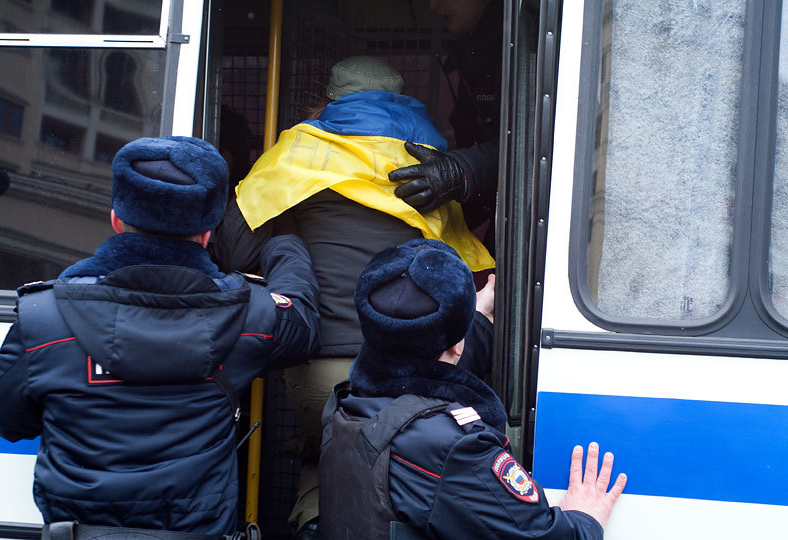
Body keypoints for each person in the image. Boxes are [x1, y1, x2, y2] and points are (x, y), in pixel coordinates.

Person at [214, 56, 494, 540]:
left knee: (326, 453)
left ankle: (313, 524)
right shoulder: (428, 159)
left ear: (327, 99)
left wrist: (289, 236)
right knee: (400, 466)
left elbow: (234, 247)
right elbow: (465, 270)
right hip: (411, 369)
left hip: (315, 366)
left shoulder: (298, 150)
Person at [0, 136, 320, 537]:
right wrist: (285, 242)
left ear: (115, 219)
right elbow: (302, 324)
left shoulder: (44, 318)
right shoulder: (251, 313)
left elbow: (5, 420)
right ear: (208, 234)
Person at [318, 238, 626, 539]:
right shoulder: (458, 450)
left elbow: (421, 374)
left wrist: (471, 317)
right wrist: (584, 519)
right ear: (457, 345)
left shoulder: (347, 401)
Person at [389, 0, 507, 254]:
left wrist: (459, 171)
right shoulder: (474, 51)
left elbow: (531, 147)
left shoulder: (519, 45)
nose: (433, 6)